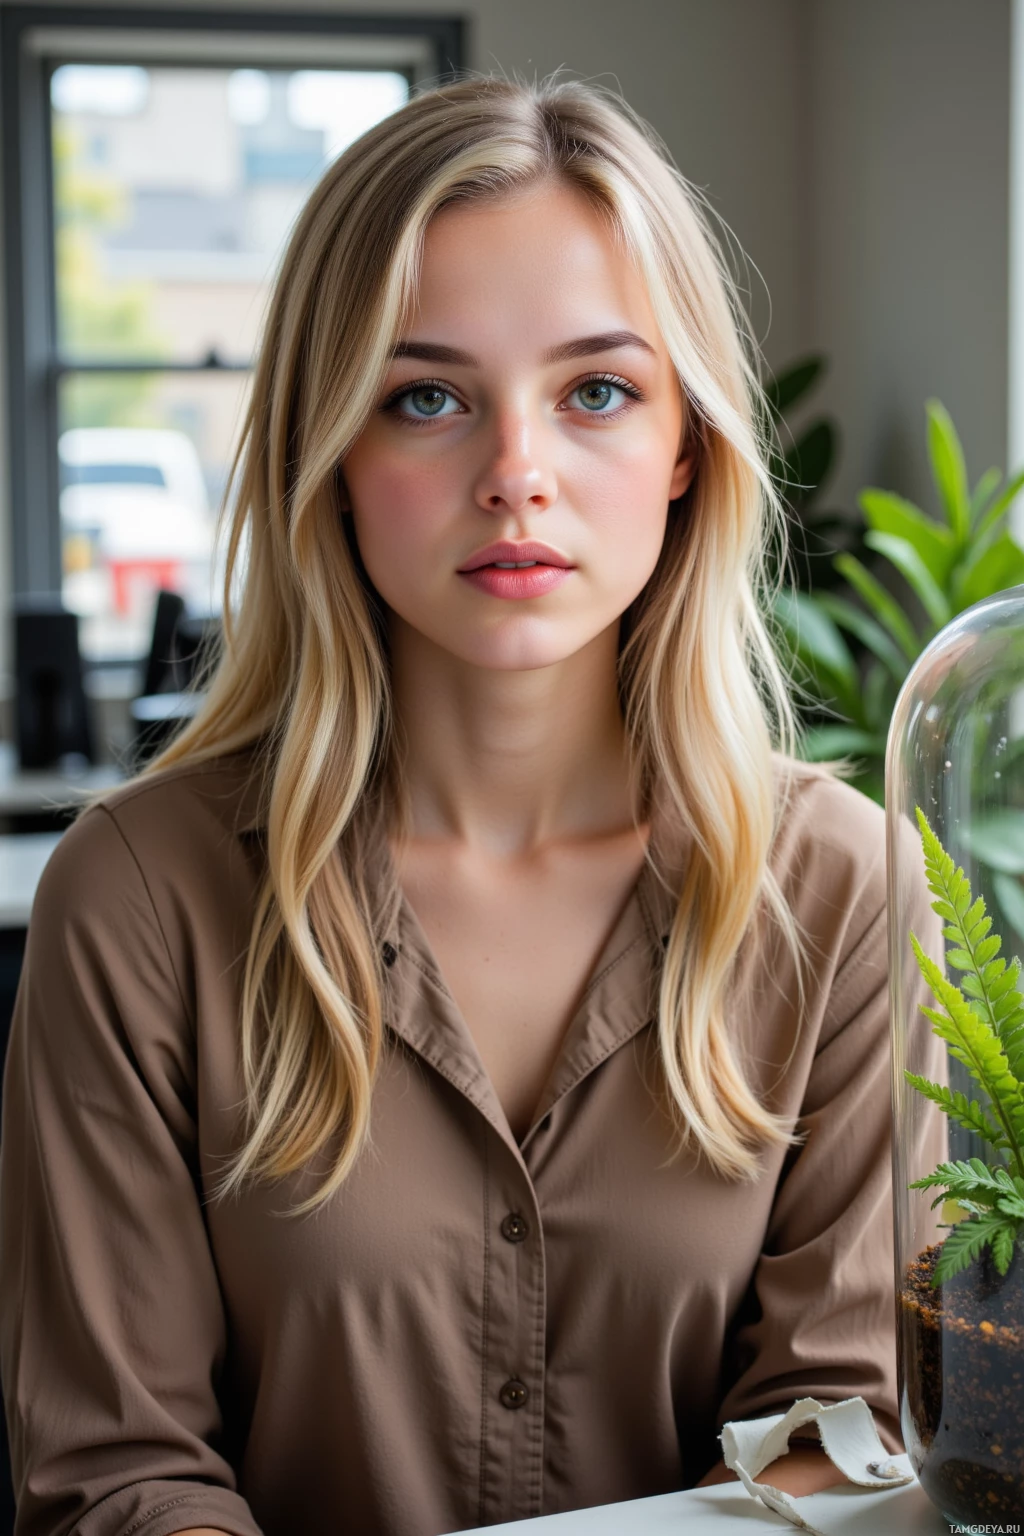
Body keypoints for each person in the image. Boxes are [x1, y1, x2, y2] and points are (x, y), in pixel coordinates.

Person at [0, 70, 926, 1536]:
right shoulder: (138, 900)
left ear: (686, 447)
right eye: (425, 397)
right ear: (329, 453)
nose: (516, 476)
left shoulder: (847, 891)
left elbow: (846, 1433)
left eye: (597, 392)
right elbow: (121, 1479)